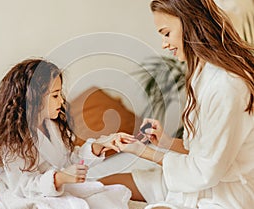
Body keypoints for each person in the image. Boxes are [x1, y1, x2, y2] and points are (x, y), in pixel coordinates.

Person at [99, 0, 254, 208]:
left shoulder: (227, 86)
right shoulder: (201, 72)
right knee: (97, 187)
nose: (164, 44)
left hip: (223, 195)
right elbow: (200, 151)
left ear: (190, 24)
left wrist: (142, 151)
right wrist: (165, 141)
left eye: (166, 33)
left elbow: (206, 170)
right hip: (193, 181)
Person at [0, 58, 133, 209]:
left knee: (107, 199)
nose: (62, 101)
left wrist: (98, 146)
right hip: (29, 196)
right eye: (55, 95)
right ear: (33, 99)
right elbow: (23, 187)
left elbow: (69, 159)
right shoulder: (13, 140)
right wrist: (60, 178)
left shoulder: (51, 125)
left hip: (57, 190)